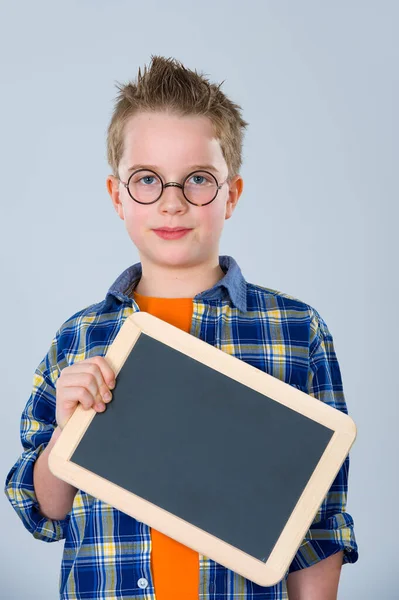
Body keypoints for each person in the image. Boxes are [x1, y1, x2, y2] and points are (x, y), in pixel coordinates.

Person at [4, 55, 358, 600]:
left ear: (231, 195)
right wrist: (64, 438)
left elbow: (319, 526)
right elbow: (43, 510)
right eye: (147, 179)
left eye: (198, 180)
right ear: (116, 195)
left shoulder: (295, 330)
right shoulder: (78, 338)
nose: (172, 202)